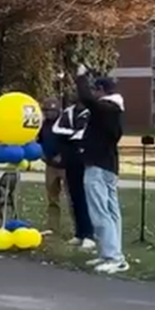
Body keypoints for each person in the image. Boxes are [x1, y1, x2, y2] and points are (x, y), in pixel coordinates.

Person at [75, 65, 126, 274]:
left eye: (96, 90)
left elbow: (87, 99)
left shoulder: (107, 109)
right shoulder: (113, 110)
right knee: (112, 212)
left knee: (100, 212)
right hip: (109, 165)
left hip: (97, 165)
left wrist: (81, 77)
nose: (94, 93)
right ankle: (112, 254)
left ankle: (113, 256)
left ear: (102, 90)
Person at [53, 95, 95, 249]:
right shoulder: (68, 112)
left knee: (85, 198)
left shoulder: (90, 112)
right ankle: (79, 233)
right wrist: (72, 133)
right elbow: (56, 129)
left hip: (84, 159)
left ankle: (89, 234)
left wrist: (70, 134)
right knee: (74, 197)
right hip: (69, 159)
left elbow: (84, 133)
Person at [37, 101, 67, 235]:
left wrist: (62, 155)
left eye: (52, 111)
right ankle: (53, 227)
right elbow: (40, 141)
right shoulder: (44, 125)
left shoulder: (64, 123)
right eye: (46, 111)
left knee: (72, 197)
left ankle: (79, 229)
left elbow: (69, 141)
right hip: (50, 165)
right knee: (52, 197)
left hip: (65, 166)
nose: (49, 113)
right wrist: (42, 154)